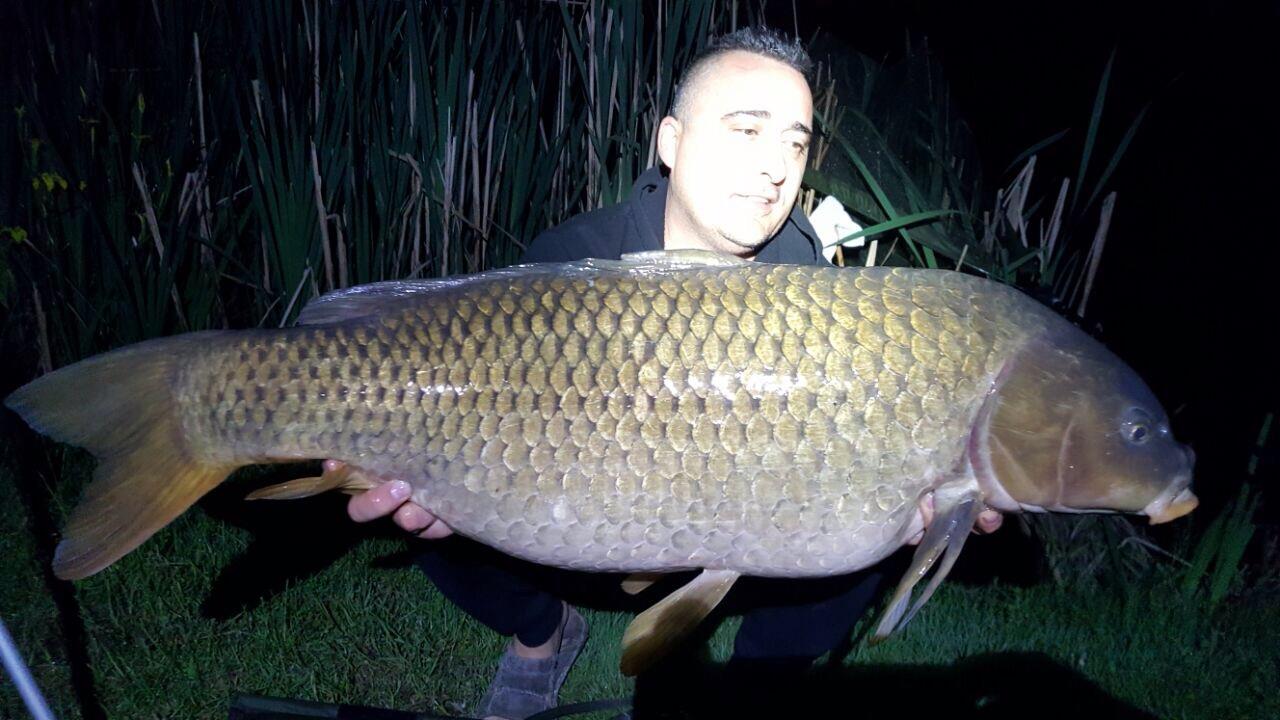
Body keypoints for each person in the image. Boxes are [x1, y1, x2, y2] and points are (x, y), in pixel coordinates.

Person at [345, 27, 1002, 719]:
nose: (778, 168)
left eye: (796, 143)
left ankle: (757, 682)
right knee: (418, 486)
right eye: (747, 130)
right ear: (670, 140)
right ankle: (542, 635)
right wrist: (471, 478)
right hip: (587, 524)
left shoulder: (814, 290)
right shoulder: (573, 260)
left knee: (866, 538)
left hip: (747, 527)